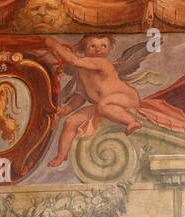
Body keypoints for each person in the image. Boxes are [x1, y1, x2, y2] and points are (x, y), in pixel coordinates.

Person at [44, 35, 143, 166]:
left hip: (126, 98)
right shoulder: (81, 72)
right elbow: (80, 96)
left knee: (103, 105)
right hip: (104, 104)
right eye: (93, 46)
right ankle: (61, 155)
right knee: (70, 121)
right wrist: (67, 109)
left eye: (103, 46)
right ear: (84, 49)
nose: (98, 50)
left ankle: (131, 122)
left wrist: (55, 45)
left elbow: (73, 61)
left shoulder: (102, 63)